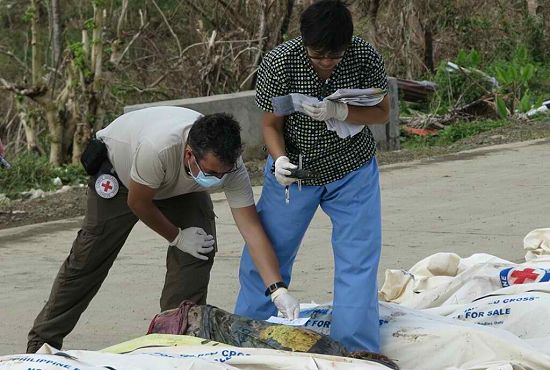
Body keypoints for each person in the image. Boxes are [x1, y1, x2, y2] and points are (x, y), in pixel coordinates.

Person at [27, 106, 300, 353]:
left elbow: (252, 229)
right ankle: (42, 343)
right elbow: (139, 202)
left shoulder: (230, 168)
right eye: (213, 173)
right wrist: (177, 236)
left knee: (200, 250)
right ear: (190, 154)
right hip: (123, 179)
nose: (218, 180)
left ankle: (175, 342)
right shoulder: (158, 148)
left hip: (180, 185)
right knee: (87, 260)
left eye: (223, 174)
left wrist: (277, 289)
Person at [235, 0, 389, 353]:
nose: (326, 63)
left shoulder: (364, 56)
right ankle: (247, 339)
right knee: (267, 255)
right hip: (296, 173)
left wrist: (343, 109)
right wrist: (280, 161)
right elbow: (271, 125)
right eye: (318, 55)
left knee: (358, 259)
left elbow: (381, 112)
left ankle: (355, 350)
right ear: (303, 41)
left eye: (334, 56)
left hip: (353, 170)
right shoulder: (281, 62)